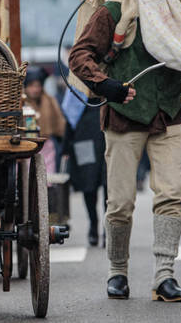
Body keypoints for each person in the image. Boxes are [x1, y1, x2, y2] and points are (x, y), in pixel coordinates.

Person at [69, 0, 181, 302]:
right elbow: (80, 57)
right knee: (120, 202)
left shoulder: (180, 5)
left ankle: (164, 276)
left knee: (172, 195)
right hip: (123, 116)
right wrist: (107, 86)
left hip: (167, 114)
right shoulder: (115, 9)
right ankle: (117, 272)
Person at [61, 87, 106, 246]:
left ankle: (109, 229)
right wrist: (65, 146)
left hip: (108, 137)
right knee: (89, 186)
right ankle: (93, 225)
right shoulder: (76, 82)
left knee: (110, 186)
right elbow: (70, 118)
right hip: (84, 138)